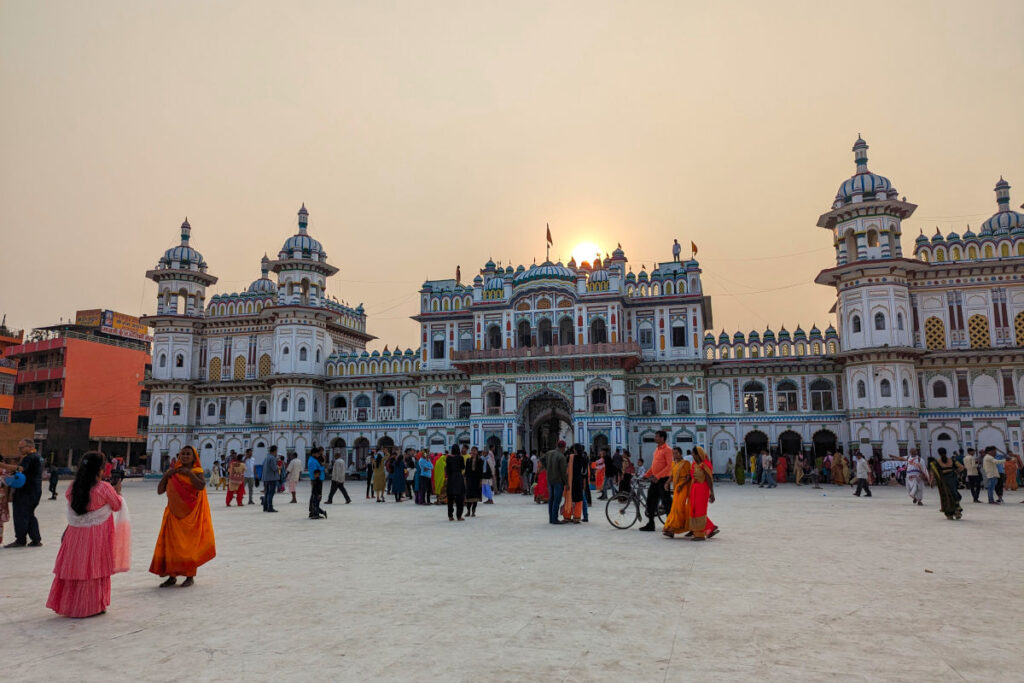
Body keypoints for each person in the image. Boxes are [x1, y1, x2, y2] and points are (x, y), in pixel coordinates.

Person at [46, 451, 131, 617]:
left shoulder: (73, 487)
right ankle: (90, 606)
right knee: (93, 567)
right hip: (96, 535)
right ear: (100, 469)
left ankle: (69, 605)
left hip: (75, 534)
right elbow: (115, 505)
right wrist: (118, 492)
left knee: (75, 567)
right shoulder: (104, 488)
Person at [150, 446, 215, 587]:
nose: (185, 456)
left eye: (188, 454)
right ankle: (171, 576)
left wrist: (189, 474)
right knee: (172, 547)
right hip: (173, 515)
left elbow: (201, 486)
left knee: (189, 546)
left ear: (194, 457)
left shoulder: (197, 472)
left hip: (191, 516)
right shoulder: (173, 473)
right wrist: (167, 475)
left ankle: (189, 576)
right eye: (182, 454)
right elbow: (160, 491)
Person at [5, 438, 43, 548]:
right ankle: (36, 539)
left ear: (30, 447)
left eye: (21, 447)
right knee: (30, 515)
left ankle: (20, 540)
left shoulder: (29, 458)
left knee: (20, 515)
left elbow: (21, 468)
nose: (19, 449)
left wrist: (3, 466)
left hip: (26, 491)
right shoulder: (38, 457)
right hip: (35, 490)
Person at [639, 431, 672, 532]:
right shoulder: (657, 450)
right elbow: (654, 466)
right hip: (655, 480)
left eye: (657, 436)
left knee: (666, 503)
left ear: (662, 438)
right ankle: (650, 523)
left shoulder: (667, 450)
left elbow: (669, 466)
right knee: (650, 501)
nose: (655, 438)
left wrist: (658, 476)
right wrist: (646, 475)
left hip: (663, 480)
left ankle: (671, 525)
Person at [688, 447, 718, 540]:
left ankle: (700, 534)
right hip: (694, 489)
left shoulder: (705, 465)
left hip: (702, 489)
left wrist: (712, 493)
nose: (692, 455)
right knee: (693, 510)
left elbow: (709, 479)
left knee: (700, 511)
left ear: (698, 454)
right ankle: (698, 531)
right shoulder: (693, 464)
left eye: (693, 453)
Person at [662, 448, 692, 538]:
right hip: (676, 487)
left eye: (676, 453)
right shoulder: (673, 463)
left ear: (680, 453)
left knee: (678, 508)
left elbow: (688, 477)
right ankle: (672, 528)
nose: (674, 455)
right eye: (673, 453)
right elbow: (671, 476)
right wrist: (667, 483)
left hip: (683, 487)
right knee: (674, 508)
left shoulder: (686, 463)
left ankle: (672, 529)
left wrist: (682, 485)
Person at [930, 448, 963, 519]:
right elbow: (962, 467)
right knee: (954, 494)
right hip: (953, 479)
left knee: (947, 496)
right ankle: (957, 511)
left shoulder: (936, 462)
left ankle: (950, 513)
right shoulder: (952, 460)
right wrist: (956, 472)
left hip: (944, 480)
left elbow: (933, 472)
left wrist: (932, 481)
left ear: (939, 453)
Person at [542, 440, 568, 525]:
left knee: (551, 499)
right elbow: (563, 472)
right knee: (556, 500)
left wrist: (547, 468)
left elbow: (541, 459)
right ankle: (554, 519)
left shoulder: (549, 453)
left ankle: (551, 518)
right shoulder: (561, 457)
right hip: (558, 481)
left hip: (550, 479)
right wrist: (567, 483)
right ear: (563, 447)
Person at [563, 444, 588, 524]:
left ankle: (567, 516)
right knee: (578, 499)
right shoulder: (584, 458)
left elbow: (566, 470)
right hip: (579, 481)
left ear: (575, 450)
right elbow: (584, 472)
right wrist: (584, 482)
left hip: (570, 480)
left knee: (569, 498)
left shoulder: (570, 457)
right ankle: (577, 517)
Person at [445, 444, 466, 521]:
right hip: (458, 478)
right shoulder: (460, 457)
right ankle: (459, 516)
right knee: (460, 497)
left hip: (451, 478)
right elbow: (463, 467)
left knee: (450, 498)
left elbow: (447, 469)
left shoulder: (448, 458)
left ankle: (450, 516)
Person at [464, 447, 483, 517]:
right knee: (469, 496)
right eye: (472, 450)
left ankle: (473, 511)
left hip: (476, 480)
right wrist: (465, 479)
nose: (473, 452)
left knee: (475, 496)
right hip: (469, 480)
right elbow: (466, 471)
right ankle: (468, 511)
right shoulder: (468, 460)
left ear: (477, 452)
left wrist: (481, 480)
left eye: (475, 451)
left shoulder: (480, 460)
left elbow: (481, 471)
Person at [261, 446, 280, 512]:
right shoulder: (272, 458)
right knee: (271, 493)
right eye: (276, 451)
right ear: (274, 451)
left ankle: (265, 507)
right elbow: (274, 468)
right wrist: (278, 467)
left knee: (266, 493)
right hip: (272, 478)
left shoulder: (266, 457)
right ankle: (270, 507)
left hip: (266, 478)